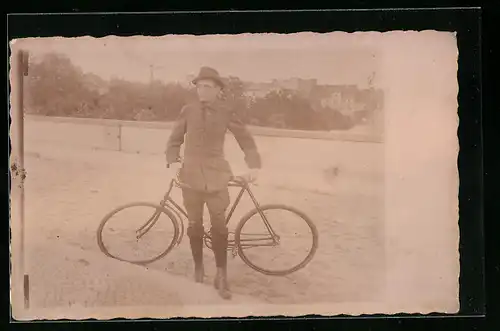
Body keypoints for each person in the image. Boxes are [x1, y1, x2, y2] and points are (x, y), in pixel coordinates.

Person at [165, 66, 262, 300]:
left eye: (207, 86)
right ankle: (199, 269)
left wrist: (254, 165)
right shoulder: (188, 110)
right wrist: (172, 162)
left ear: (218, 89)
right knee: (194, 224)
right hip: (190, 176)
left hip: (217, 176)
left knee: (219, 226)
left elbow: (245, 138)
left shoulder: (227, 111)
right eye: (199, 86)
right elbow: (175, 139)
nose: (202, 91)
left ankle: (221, 274)